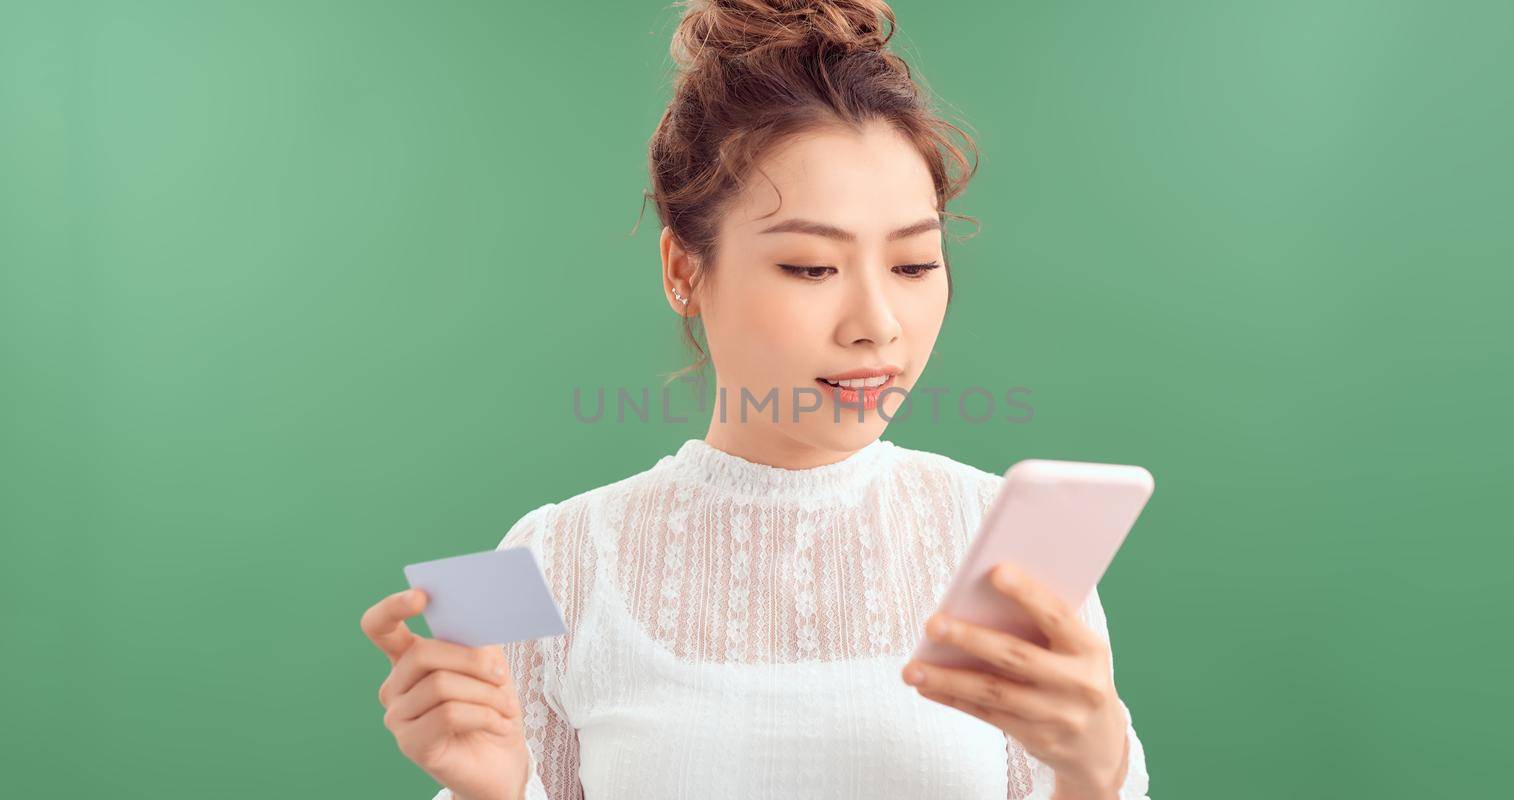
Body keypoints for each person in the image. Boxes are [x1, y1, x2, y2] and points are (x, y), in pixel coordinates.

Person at [360, 1, 1151, 797]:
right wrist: (485, 789)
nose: (877, 326)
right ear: (682, 270)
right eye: (811, 267)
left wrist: (1095, 770)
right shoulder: (536, 558)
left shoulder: (1012, 552)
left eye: (914, 264)